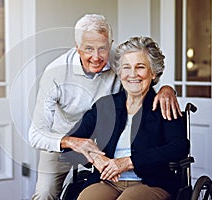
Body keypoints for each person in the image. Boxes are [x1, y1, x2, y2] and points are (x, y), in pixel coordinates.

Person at [28, 14, 181, 200]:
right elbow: (36, 134)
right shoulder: (57, 73)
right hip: (61, 138)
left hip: (141, 175)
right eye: (88, 49)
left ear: (110, 45)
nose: (96, 56)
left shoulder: (158, 101)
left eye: (102, 48)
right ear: (77, 48)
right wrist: (78, 145)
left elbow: (178, 146)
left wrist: (167, 89)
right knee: (46, 193)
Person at [66, 36, 189, 200]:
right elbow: (71, 142)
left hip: (150, 183)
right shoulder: (104, 106)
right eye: (126, 67)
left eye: (140, 67)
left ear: (153, 73)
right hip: (108, 181)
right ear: (119, 72)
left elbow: (179, 146)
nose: (132, 74)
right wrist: (95, 158)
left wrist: (129, 162)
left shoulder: (164, 104)